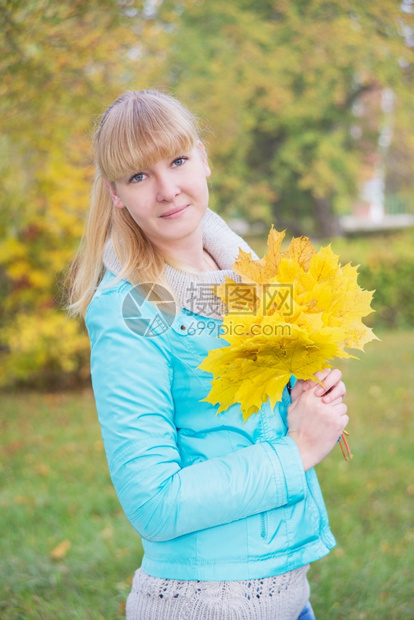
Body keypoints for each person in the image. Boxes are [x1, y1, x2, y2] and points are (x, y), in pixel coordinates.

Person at [68, 90, 348, 620]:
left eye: (177, 161)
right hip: (208, 604)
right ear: (116, 195)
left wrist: (311, 393)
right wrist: (298, 450)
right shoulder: (127, 309)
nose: (168, 189)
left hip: (288, 593)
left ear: (203, 157)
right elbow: (153, 503)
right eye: (138, 176)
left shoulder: (241, 283)